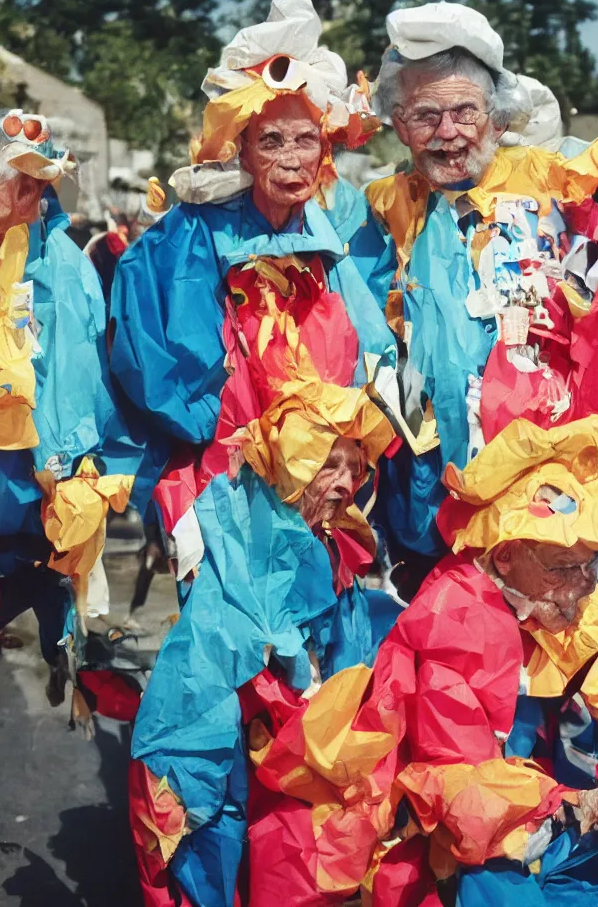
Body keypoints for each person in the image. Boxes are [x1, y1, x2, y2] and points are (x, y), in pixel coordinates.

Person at [242, 415, 598, 905]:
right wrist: (577, 803)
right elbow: (459, 789)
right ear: (505, 555)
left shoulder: (567, 600)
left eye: (591, 564)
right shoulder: (456, 618)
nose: (582, 584)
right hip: (446, 839)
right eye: (564, 566)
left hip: (537, 807)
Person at [348, 2, 598, 589]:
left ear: (496, 117)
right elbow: (365, 343)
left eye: (465, 111)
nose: (448, 133)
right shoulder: (382, 214)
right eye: (425, 115)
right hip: (432, 489)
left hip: (544, 486)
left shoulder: (559, 206)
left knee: (546, 657)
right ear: (397, 122)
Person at [109, 0, 393, 580]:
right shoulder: (190, 234)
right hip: (222, 476)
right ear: (240, 149)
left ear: (326, 149)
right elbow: (153, 358)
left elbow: (368, 353)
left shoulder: (327, 236)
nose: (291, 159)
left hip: (314, 484)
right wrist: (221, 434)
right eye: (271, 141)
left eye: (305, 140)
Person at [128, 361, 401, 907]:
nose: (347, 484)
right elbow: (233, 644)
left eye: (356, 468)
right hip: (213, 740)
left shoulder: (318, 542)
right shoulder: (244, 525)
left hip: (274, 749)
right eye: (331, 465)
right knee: (210, 860)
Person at [0, 108, 142, 723]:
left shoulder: (62, 274)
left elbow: (71, 409)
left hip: (23, 524)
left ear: (26, 189)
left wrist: (65, 511)